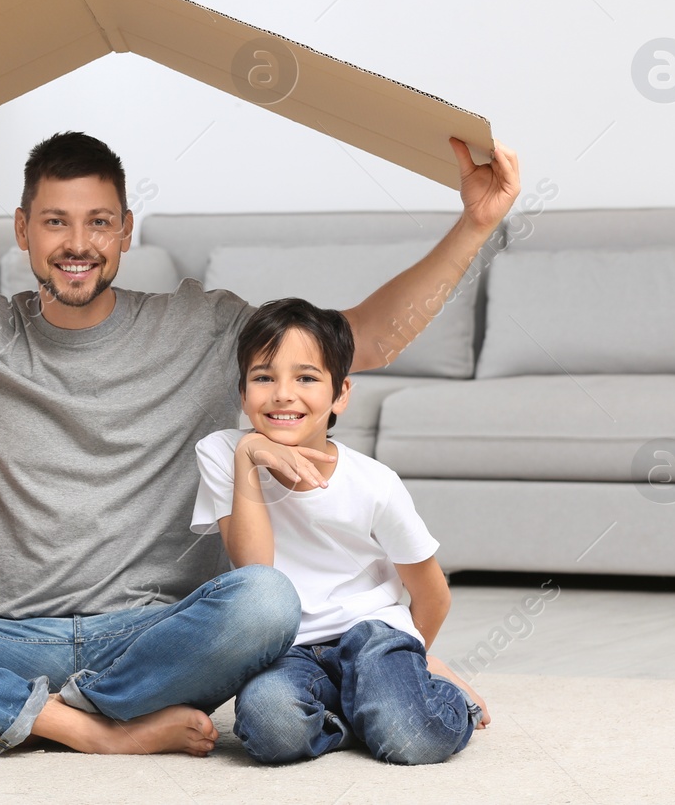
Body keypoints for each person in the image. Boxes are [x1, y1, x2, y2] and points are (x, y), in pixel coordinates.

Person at [0, 129, 519, 755]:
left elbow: (360, 340)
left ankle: (7, 711)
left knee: (265, 599)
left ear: (125, 230)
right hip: (8, 627)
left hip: (154, 636)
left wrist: (476, 224)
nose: (77, 244)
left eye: (98, 223)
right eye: (56, 223)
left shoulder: (201, 325)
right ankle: (84, 726)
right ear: (23, 229)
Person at [192, 298, 489, 765]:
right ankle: (358, 713)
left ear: (340, 394)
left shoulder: (375, 483)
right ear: (242, 390)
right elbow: (256, 574)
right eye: (263, 377)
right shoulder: (224, 453)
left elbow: (433, 596)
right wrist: (250, 456)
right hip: (286, 647)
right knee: (271, 729)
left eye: (306, 378)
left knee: (412, 738)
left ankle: (437, 692)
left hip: (371, 635)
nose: (282, 394)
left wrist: (413, 654)